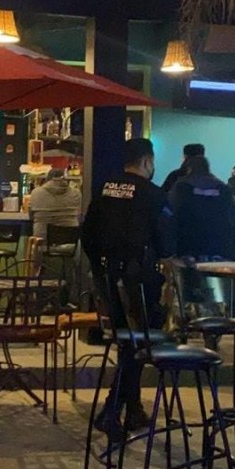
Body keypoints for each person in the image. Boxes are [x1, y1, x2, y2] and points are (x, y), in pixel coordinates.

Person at [81, 138, 174, 441]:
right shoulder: (153, 194)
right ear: (147, 162)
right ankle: (111, 410)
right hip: (137, 283)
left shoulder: (104, 188)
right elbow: (165, 242)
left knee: (128, 345)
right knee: (140, 343)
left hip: (108, 282)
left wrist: (99, 273)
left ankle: (132, 409)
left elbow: (87, 234)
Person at [168, 156, 235, 261]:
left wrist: (167, 249)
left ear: (188, 169)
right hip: (219, 252)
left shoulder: (180, 188)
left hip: (187, 252)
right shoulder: (222, 188)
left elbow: (168, 218)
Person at [28, 168, 82, 240]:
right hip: (69, 241)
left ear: (47, 179)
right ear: (64, 178)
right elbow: (78, 213)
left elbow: (31, 216)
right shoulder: (76, 193)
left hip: (42, 241)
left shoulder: (35, 193)